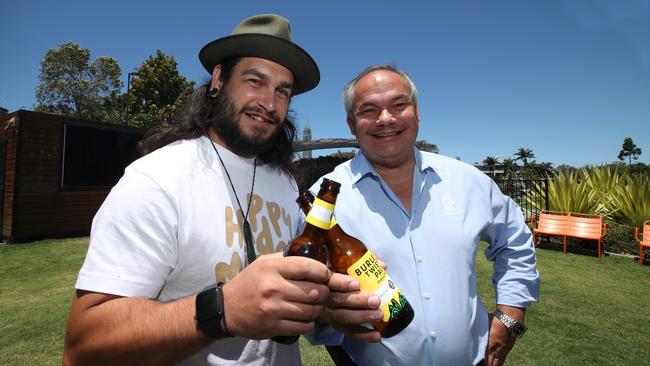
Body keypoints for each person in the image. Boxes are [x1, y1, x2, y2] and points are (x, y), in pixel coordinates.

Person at [63, 14, 339, 365]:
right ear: (219, 79)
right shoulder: (157, 179)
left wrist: (329, 306)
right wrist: (221, 311)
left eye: (282, 91)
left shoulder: (285, 182)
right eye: (255, 81)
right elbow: (83, 348)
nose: (270, 103)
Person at [308, 65, 540, 366]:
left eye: (398, 105)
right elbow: (308, 292)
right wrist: (326, 312)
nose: (386, 118)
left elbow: (514, 240)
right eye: (369, 110)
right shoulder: (324, 200)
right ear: (352, 124)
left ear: (417, 112)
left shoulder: (469, 182)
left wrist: (511, 313)